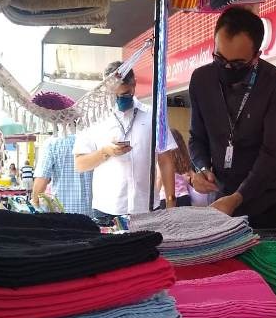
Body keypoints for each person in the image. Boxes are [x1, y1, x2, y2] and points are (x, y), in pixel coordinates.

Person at [189, 7, 276, 229]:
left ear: (257, 56)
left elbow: (273, 154)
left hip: (265, 204)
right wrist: (201, 169)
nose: (227, 68)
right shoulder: (201, 80)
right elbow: (197, 137)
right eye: (219, 59)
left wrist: (238, 198)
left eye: (237, 64)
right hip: (220, 200)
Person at [73, 62, 177, 222]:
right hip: (107, 210)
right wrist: (105, 152)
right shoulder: (93, 118)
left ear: (134, 84)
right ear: (106, 90)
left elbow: (165, 159)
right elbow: (80, 164)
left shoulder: (153, 115)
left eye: (126, 94)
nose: (121, 99)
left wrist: (171, 202)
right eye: (115, 95)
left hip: (146, 208)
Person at [32, 134, 94, 216]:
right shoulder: (94, 140)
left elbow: (42, 179)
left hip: (62, 213)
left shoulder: (53, 142)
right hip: (93, 213)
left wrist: (35, 203)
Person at [159, 129, 192, 208]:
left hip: (166, 197)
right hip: (184, 197)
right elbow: (189, 177)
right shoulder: (185, 159)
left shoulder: (163, 159)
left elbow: (159, 179)